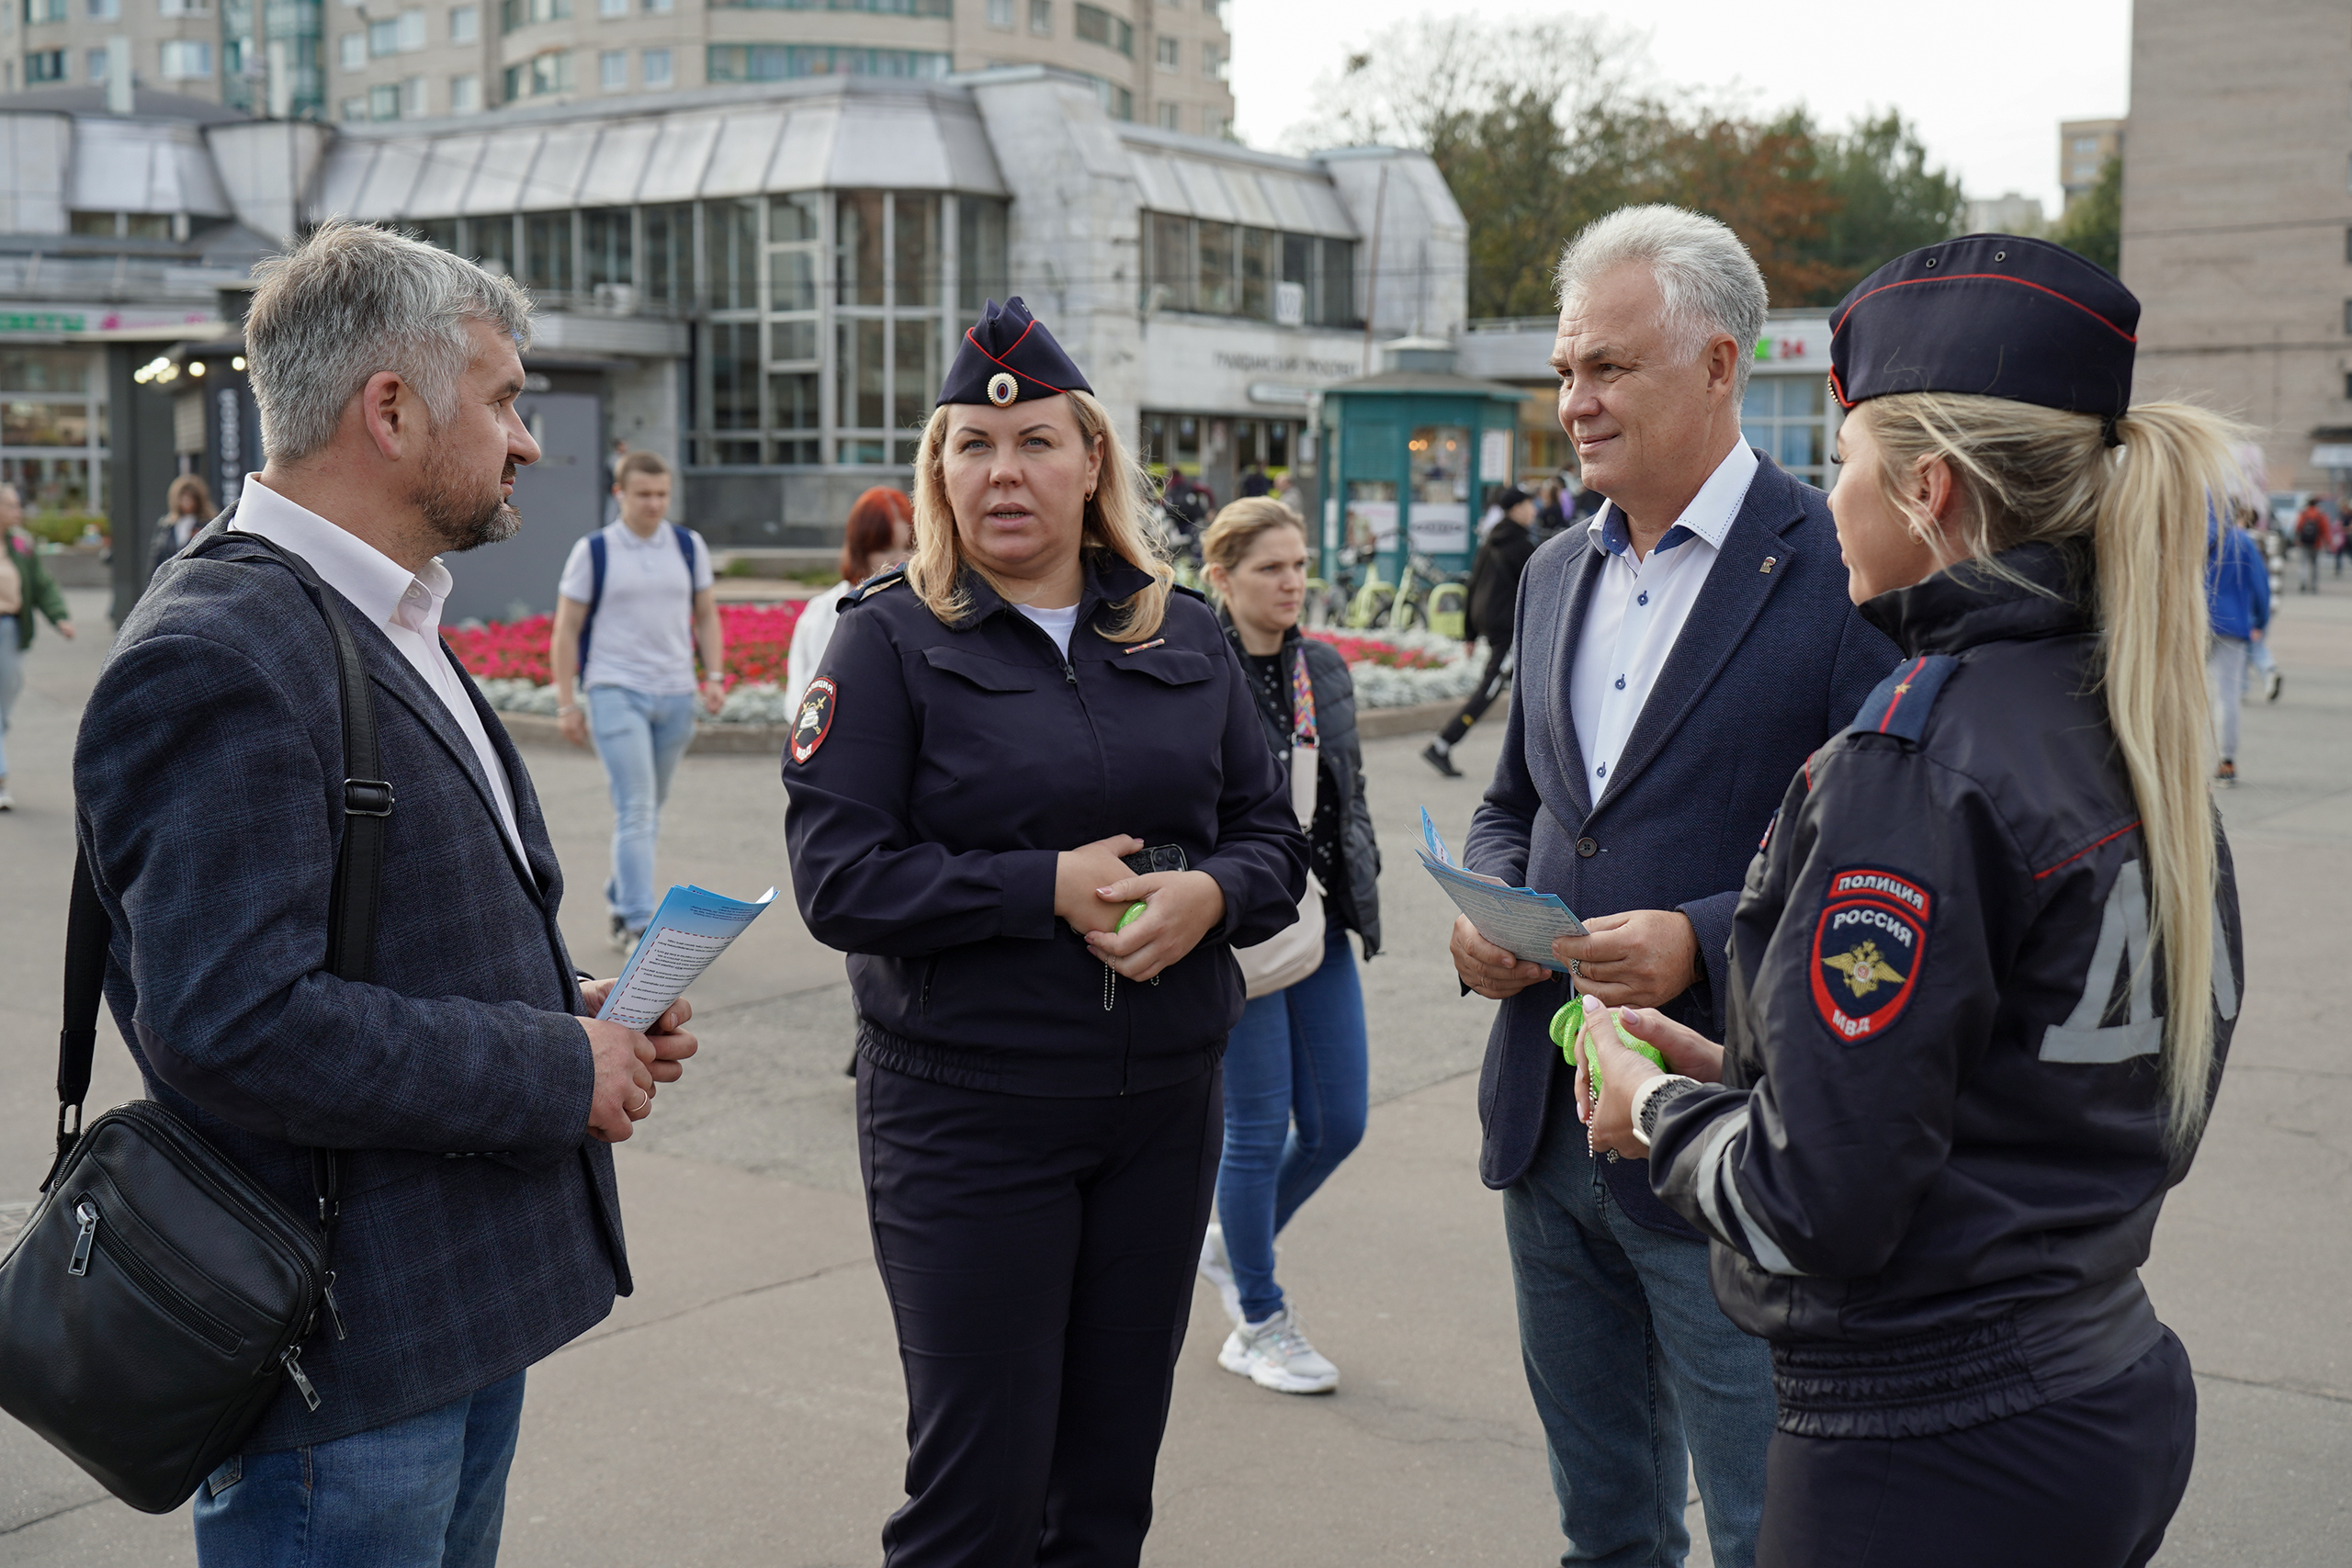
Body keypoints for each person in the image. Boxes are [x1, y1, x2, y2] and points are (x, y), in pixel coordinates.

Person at [1579, 233, 2245, 1568]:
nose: (1828, 502)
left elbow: (1817, 1205)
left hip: (1930, 1438)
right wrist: (1752, 1068)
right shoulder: (2125, 716)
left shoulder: (1915, 758)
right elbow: (2008, 1082)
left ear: (1929, 489)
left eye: (1844, 461)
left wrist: (1655, 1105)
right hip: (2097, 1382)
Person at [72, 219, 697, 1567]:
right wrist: (550, 1063)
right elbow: (232, 1019)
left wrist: (574, 1005)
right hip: (340, 1375)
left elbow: (369, 920)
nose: (526, 437)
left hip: (426, 1327)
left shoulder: (367, 611)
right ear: (394, 408)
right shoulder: (223, 651)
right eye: (505, 397)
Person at [783, 297, 1305, 1567]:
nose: (1003, 472)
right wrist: (1039, 887)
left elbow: (1274, 840)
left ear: (1092, 464)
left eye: (1034, 446)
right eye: (972, 447)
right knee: (977, 1506)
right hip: (968, 1119)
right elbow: (837, 876)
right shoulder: (886, 639)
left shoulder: (1182, 630)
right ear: (939, 472)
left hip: (1163, 1111)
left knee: (1106, 1497)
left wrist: (1213, 897)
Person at [1448, 206, 1898, 1568]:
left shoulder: (1839, 567)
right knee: (1606, 1525)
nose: (1574, 402)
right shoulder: (1550, 571)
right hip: (1548, 1122)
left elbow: (1874, 851)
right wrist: (1490, 907)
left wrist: (1695, 935)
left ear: (1721, 364)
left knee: (1768, 1532)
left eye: (1608, 368)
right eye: (1565, 369)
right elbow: (1519, 802)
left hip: (1725, 1138)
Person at [1194, 497, 1382, 1394]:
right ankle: (1257, 1320)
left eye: (1299, 565)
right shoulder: (1194, 672)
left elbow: (1345, 804)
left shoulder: (1323, 669)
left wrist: (1360, 902)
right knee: (1258, 1131)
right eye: (1271, 568)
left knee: (1340, 1121)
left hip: (1318, 923)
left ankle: (1233, 1242)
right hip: (1238, 934)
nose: (1292, 582)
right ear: (1221, 579)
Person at [550, 450, 727, 951]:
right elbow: (567, 630)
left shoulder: (688, 546)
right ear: (620, 494)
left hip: (676, 695)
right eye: (644, 495)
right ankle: (635, 921)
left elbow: (707, 615)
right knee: (637, 807)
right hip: (614, 690)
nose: (654, 504)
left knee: (650, 807)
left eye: (662, 495)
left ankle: (619, 890)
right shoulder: (595, 551)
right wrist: (567, 702)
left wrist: (713, 675)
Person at [1422, 486, 1539, 778]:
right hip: (1509, 630)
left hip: (1491, 624)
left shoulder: (1492, 540)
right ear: (1516, 509)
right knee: (1490, 688)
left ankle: (1534, 763)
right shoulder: (1521, 546)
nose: (1533, 510)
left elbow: (1473, 585)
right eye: (1528, 504)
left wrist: (1470, 634)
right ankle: (1442, 743)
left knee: (1531, 692)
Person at [786, 485, 914, 711]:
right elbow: (808, 705)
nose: (900, 562)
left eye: (909, 547)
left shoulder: (928, 609)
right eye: (885, 549)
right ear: (860, 551)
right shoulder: (827, 612)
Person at [1, 482, 77, 812]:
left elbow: (42, 585)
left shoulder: (20, 546)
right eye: (12, 506)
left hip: (9, 631)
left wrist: (59, 617)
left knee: (3, 704)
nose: (18, 512)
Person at [2207, 502, 2271, 785]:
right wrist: (2259, 622)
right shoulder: (2242, 542)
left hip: (2194, 624)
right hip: (2232, 623)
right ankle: (2226, 760)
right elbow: (2260, 587)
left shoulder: (2190, 537)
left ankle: (2186, 757)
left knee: (2190, 693)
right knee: (2228, 693)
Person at [151, 472, 216, 577]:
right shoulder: (166, 526)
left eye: (190, 498)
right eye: (184, 498)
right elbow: (156, 558)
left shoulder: (207, 524)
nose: (187, 503)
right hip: (168, 580)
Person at [2292, 496, 2324, 592]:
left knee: (2303, 563)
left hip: (2304, 543)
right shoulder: (2320, 514)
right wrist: (2327, 542)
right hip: (2316, 543)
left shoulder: (2304, 513)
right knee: (2315, 565)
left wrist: (2297, 539)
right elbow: (2324, 529)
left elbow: (2298, 527)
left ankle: (2303, 583)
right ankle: (2314, 585)